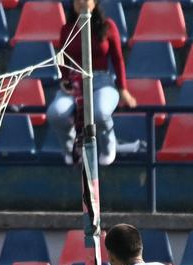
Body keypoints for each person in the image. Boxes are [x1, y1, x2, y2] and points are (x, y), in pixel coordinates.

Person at [47, 0, 136, 167]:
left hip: (102, 81)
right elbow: (63, 58)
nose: (81, 2)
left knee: (100, 112)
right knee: (56, 113)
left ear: (94, 3)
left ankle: (109, 147)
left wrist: (123, 88)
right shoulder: (67, 29)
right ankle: (72, 149)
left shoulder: (108, 26)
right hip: (75, 82)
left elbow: (118, 59)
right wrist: (64, 80)